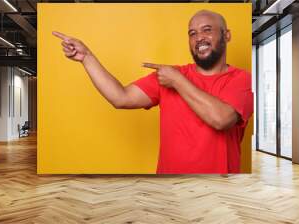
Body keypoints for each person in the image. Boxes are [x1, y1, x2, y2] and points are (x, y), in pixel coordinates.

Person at [52, 10, 253, 174]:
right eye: (192, 33)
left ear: (226, 35)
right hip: (169, 191)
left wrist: (177, 81)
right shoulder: (170, 75)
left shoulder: (241, 79)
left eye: (207, 30)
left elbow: (221, 119)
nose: (199, 37)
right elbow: (120, 97)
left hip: (219, 191)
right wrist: (86, 57)